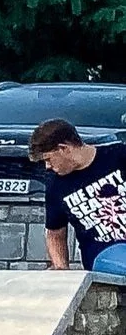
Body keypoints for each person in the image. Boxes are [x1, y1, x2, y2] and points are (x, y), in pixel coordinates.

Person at [35, 117, 126, 277]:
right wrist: (61, 271)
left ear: (64, 148)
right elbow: (55, 234)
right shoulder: (56, 186)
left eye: (48, 159)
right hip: (103, 251)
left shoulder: (118, 156)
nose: (48, 166)